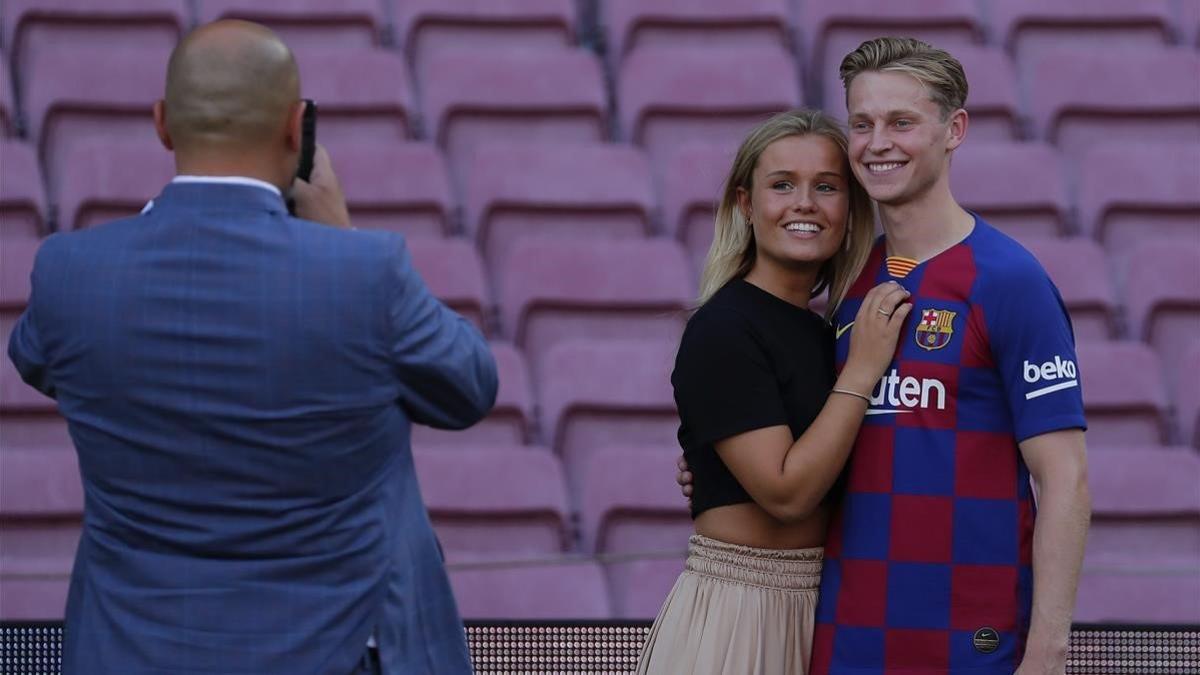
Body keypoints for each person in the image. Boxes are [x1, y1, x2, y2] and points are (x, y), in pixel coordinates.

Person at [6, 20, 495, 675]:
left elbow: (37, 358)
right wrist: (341, 235)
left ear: (162, 124)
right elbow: (469, 386)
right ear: (296, 130)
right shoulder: (364, 274)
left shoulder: (71, 275)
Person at [678, 37, 1091, 675]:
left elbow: (1065, 477)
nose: (878, 142)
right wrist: (712, 468)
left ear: (954, 130)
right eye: (863, 123)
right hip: (844, 634)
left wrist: (1048, 648)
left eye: (901, 122)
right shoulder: (849, 289)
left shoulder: (1009, 280)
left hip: (970, 638)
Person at [636, 108, 913, 675]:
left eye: (827, 187)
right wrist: (862, 372)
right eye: (782, 185)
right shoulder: (723, 328)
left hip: (830, 611)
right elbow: (786, 494)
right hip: (740, 612)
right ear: (745, 203)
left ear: (851, 208)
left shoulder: (827, 332)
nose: (805, 203)